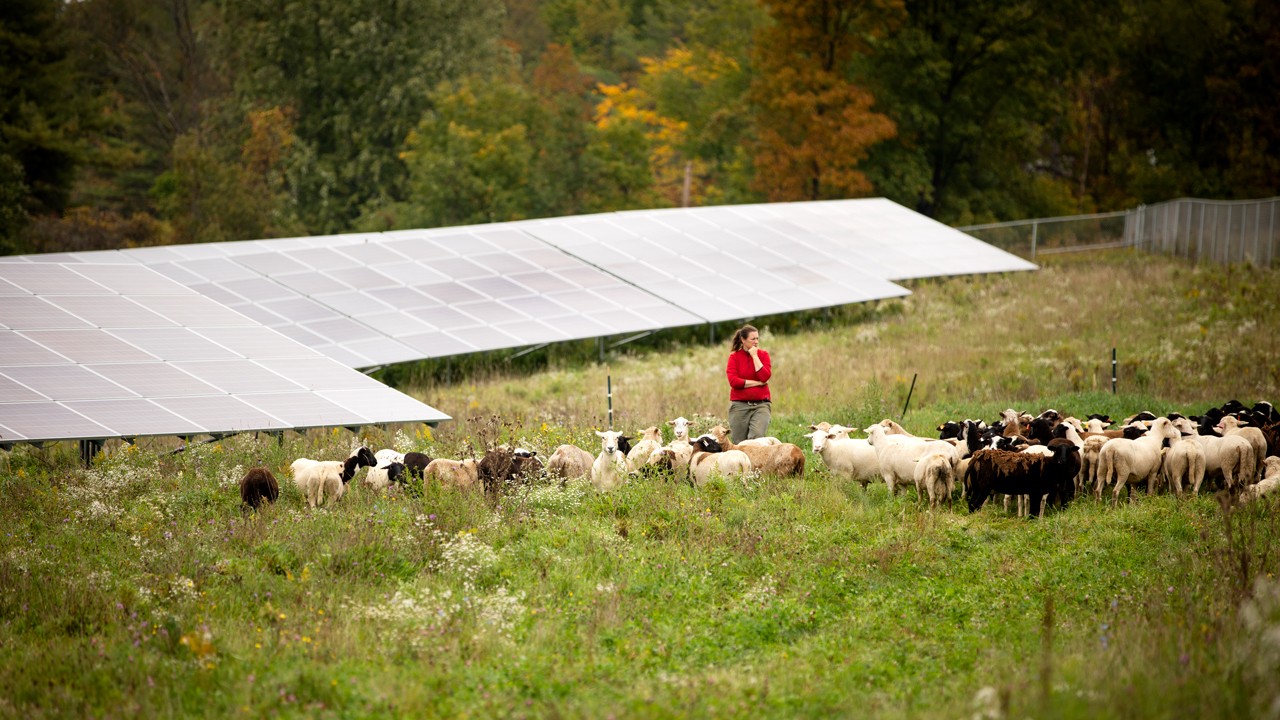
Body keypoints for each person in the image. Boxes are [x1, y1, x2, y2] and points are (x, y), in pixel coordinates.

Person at [725, 324, 771, 444]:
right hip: (739, 406)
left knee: (756, 439)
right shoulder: (734, 357)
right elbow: (734, 382)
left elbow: (765, 376)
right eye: (753, 339)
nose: (756, 342)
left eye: (757, 338)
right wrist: (758, 383)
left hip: (761, 405)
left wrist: (754, 355)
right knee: (739, 443)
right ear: (743, 340)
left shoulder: (763, 355)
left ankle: (755, 463)